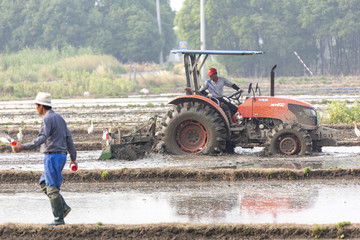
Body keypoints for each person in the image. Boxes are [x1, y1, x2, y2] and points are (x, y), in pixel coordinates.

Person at [12, 92, 77, 225]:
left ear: (42, 106)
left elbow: (41, 138)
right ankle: (63, 207)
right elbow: (69, 139)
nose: (36, 108)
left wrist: (23, 147)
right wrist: (73, 157)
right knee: (43, 183)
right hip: (61, 156)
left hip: (52, 156)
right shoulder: (60, 118)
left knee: (52, 188)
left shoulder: (47, 119)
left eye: (36, 106)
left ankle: (58, 219)